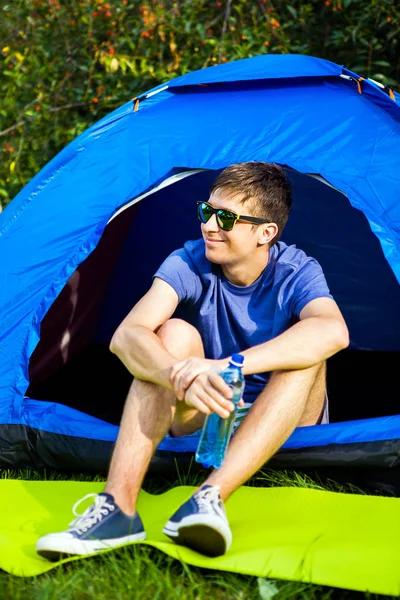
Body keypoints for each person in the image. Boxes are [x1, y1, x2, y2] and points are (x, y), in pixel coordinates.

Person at [36, 162, 349, 561]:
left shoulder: (296, 269)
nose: (209, 226)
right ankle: (117, 511)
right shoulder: (189, 261)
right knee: (166, 337)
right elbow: (126, 336)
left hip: (285, 419)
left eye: (227, 218)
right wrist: (174, 372)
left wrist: (226, 366)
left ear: (265, 233)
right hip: (210, 413)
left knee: (308, 355)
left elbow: (334, 332)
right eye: (207, 210)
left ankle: (208, 498)